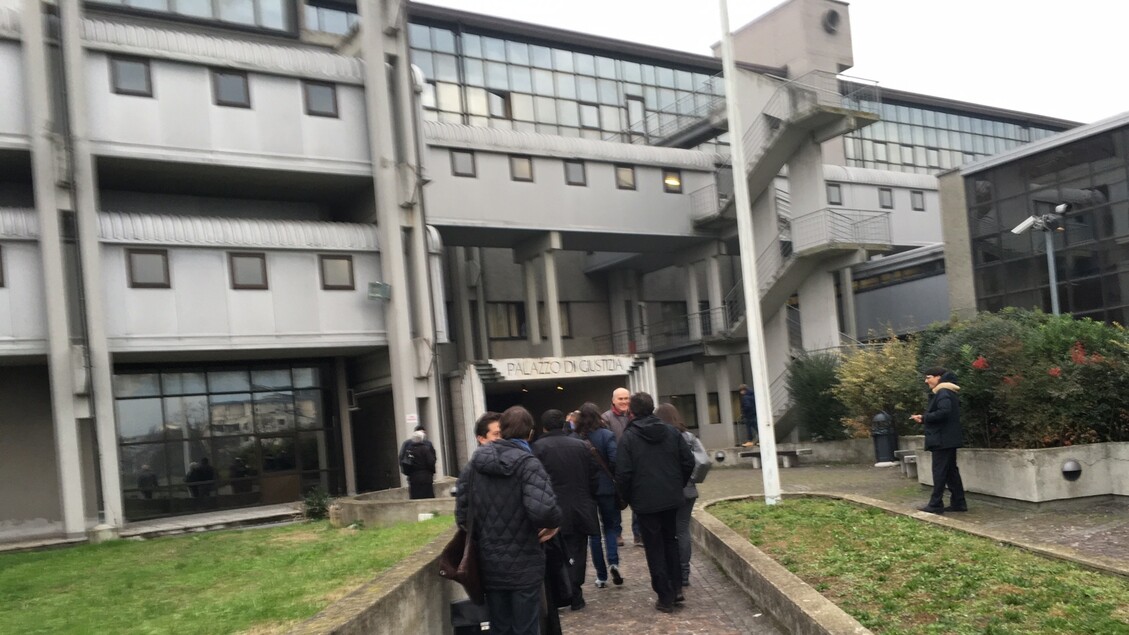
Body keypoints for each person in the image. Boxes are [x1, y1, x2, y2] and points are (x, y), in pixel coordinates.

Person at [456, 406, 562, 635]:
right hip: (525, 561)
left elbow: (462, 516)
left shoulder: (473, 466)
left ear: (502, 431)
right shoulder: (528, 464)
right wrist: (553, 524)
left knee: (499, 626)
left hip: (489, 562)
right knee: (527, 627)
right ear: (530, 433)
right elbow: (543, 510)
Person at [616, 392, 694, 613]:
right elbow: (688, 461)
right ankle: (676, 588)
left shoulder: (628, 437)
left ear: (632, 411)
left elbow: (623, 473)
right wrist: (677, 483)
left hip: (645, 501)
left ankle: (665, 596)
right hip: (670, 497)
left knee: (654, 548)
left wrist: (627, 497)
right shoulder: (671, 432)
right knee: (671, 541)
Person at [533, 409, 600, 611]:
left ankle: (561, 593)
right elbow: (593, 476)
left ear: (544, 427)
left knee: (555, 553)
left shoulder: (537, 449)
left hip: (553, 508)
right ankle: (576, 593)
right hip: (580, 505)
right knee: (579, 551)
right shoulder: (581, 445)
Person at [655, 403, 705, 588]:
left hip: (666, 491)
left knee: (667, 532)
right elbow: (703, 461)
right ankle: (684, 572)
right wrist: (692, 478)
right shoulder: (689, 436)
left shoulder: (660, 437)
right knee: (683, 531)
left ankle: (672, 571)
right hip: (688, 489)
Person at [574, 402, 623, 589]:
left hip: (586, 490)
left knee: (593, 534)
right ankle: (613, 562)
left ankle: (601, 576)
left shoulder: (576, 438)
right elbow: (614, 460)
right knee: (610, 527)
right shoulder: (607, 435)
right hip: (606, 488)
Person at [911, 367, 968, 514]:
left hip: (942, 440)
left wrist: (925, 418)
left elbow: (944, 412)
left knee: (940, 472)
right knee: (950, 472)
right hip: (948, 439)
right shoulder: (948, 391)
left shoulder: (943, 392)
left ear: (939, 377)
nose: (926, 381)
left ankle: (935, 504)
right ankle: (959, 503)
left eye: (928, 377)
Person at [602, 387, 634, 546]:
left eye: (626, 398)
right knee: (616, 502)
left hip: (635, 464)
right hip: (615, 466)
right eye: (620, 399)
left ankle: (639, 534)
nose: (624, 401)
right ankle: (617, 533)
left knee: (638, 499)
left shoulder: (634, 415)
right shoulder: (605, 418)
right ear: (613, 400)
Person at [399, 426, 437, 499]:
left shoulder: (409, 449)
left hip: (413, 477)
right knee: (427, 497)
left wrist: (408, 473)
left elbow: (404, 461)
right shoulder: (426, 448)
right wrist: (431, 472)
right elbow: (431, 461)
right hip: (426, 476)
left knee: (415, 496)